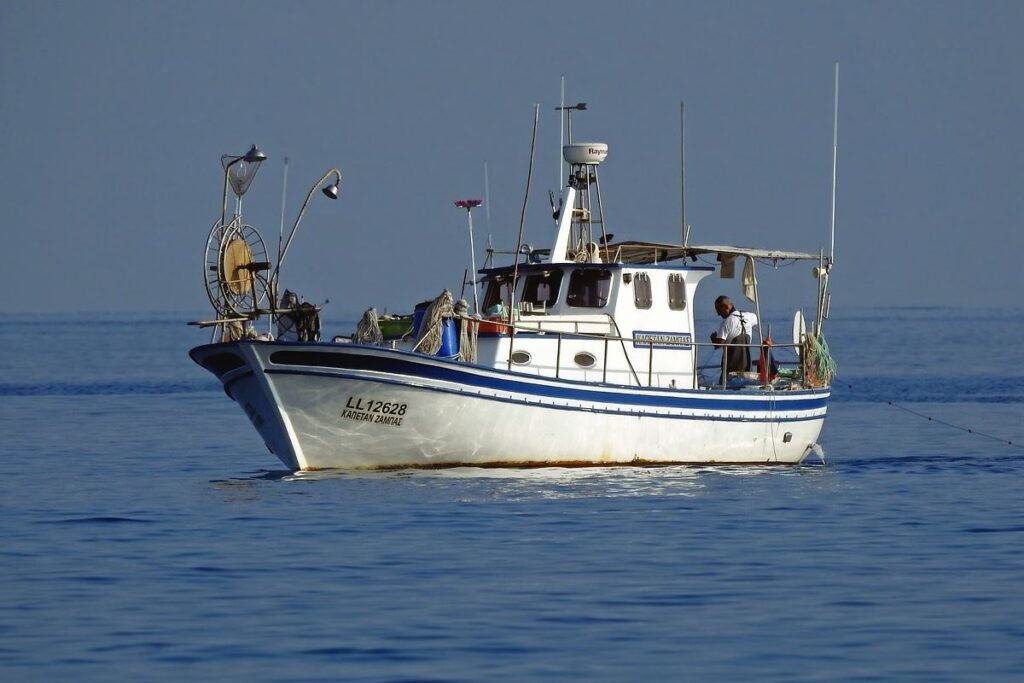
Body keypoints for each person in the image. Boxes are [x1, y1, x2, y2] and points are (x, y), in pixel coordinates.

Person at [710, 295, 758, 382]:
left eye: (718, 310)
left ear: (727, 307)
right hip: (746, 363)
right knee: (744, 382)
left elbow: (718, 345)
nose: (718, 314)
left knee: (726, 383)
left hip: (732, 364)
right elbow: (755, 318)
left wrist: (713, 339)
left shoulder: (726, 322)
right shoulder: (748, 317)